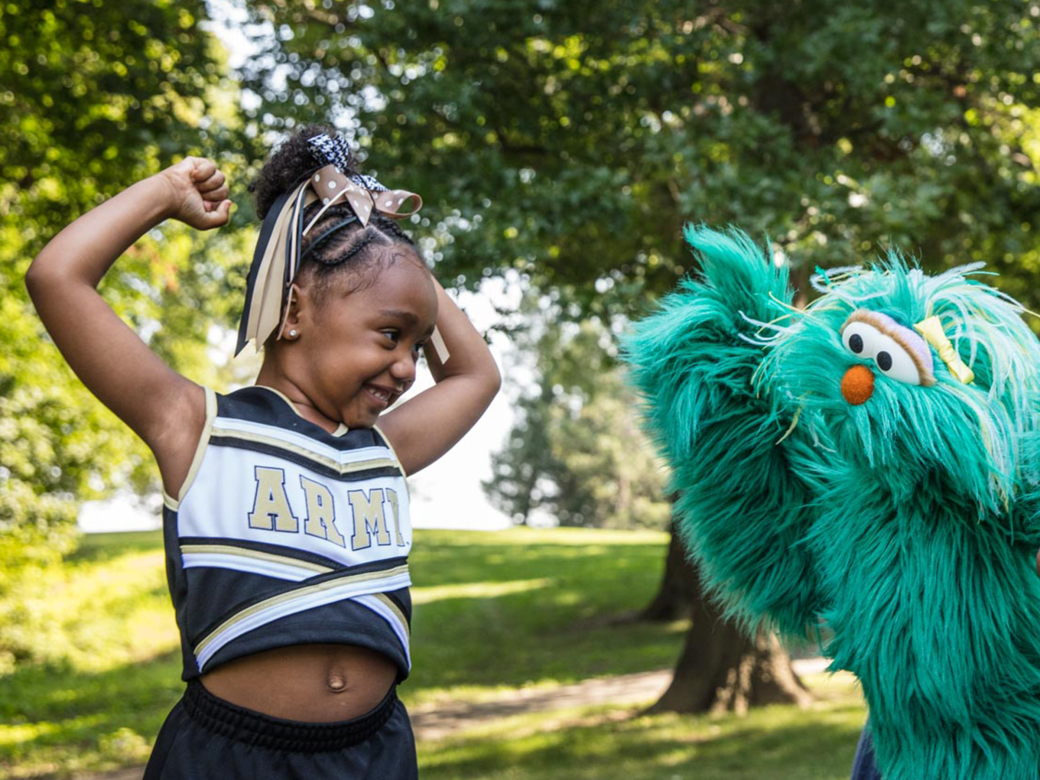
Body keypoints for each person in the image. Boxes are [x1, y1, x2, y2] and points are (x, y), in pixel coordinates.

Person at [25, 126, 501, 778]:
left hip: (378, 751)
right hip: (230, 758)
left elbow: (477, 375)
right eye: (391, 335)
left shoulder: (382, 449)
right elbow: (57, 277)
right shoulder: (196, 426)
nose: (409, 367)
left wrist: (390, 251)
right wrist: (165, 193)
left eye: (418, 345)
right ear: (295, 312)